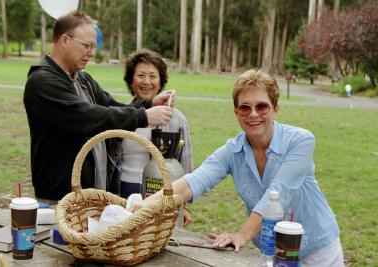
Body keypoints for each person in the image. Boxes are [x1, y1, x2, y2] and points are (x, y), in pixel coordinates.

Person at [145, 69, 344, 266]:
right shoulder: (233, 150)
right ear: (236, 112)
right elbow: (194, 181)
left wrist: (242, 234)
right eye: (245, 108)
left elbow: (278, 193)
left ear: (275, 108)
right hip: (271, 252)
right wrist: (144, 206)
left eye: (262, 106)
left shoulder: (300, 141)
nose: (253, 114)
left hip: (317, 250)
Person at [23, 11, 174, 203]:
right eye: (87, 45)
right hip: (59, 199)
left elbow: (112, 106)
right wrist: (143, 116)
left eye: (94, 46)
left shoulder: (83, 79)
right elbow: (88, 117)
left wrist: (149, 103)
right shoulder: (42, 82)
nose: (92, 53)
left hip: (89, 196)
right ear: (64, 40)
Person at [113, 49, 193, 200]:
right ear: (131, 80)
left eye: (153, 76)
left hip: (159, 194)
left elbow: (186, 164)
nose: (147, 82)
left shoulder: (177, 119)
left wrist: (185, 204)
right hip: (121, 192)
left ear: (161, 81)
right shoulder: (119, 116)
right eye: (141, 75)